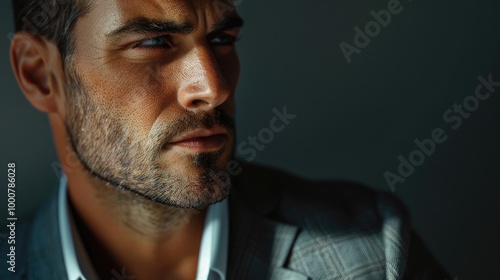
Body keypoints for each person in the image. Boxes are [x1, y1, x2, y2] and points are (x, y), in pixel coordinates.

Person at [1, 0, 451, 279]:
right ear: (41, 75)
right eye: (154, 42)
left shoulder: (373, 251)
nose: (213, 87)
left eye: (220, 38)